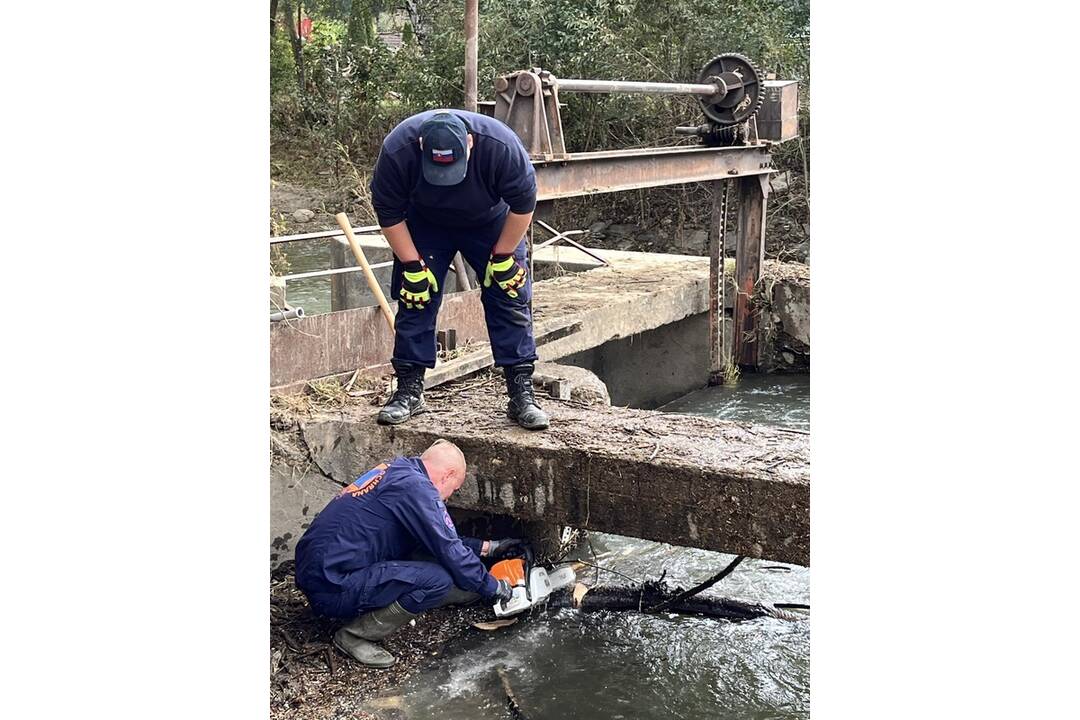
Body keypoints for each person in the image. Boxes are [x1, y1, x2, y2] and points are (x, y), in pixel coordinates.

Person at [370, 108, 549, 430]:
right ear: (422, 144)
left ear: (469, 143)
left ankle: (521, 393)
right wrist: (412, 264)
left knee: (509, 297)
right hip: (425, 224)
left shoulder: (501, 146)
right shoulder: (398, 149)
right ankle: (409, 391)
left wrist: (504, 256)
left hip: (491, 221)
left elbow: (524, 206)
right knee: (416, 297)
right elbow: (388, 212)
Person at [293, 439, 527, 668]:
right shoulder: (417, 489)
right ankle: (354, 635)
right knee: (438, 581)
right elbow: (448, 547)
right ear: (447, 475)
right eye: (453, 490)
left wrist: (489, 547)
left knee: (432, 562)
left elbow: (435, 537)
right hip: (333, 587)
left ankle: (457, 590)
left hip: (322, 572)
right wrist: (495, 588)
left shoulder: (398, 471)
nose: (448, 498)